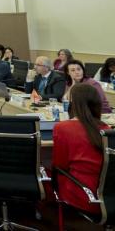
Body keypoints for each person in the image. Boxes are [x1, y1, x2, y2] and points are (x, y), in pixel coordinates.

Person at [52, 83, 110, 214]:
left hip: (84, 193)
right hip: (108, 195)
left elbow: (60, 164)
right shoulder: (105, 128)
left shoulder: (62, 128)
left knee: (47, 172)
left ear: (73, 103)